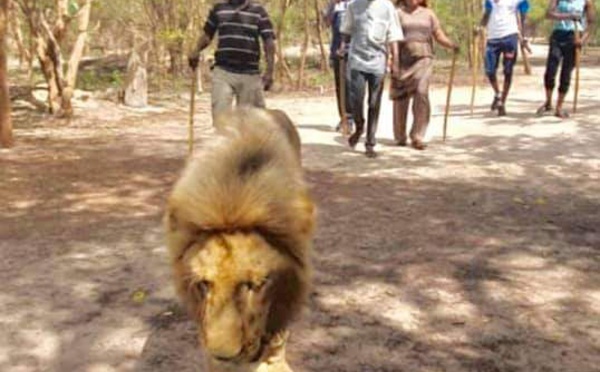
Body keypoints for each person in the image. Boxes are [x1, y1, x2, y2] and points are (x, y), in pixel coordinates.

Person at [188, 0, 276, 122]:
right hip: (223, 72)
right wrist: (196, 50)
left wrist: (270, 71)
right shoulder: (219, 9)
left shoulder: (258, 11)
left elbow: (268, 41)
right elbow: (207, 34)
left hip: (250, 74)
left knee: (251, 124)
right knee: (221, 118)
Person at [390, 0, 458, 150]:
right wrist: (394, 59)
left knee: (421, 92)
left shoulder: (429, 14)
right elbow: (393, 39)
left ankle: (418, 135)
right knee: (401, 98)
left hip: (424, 58)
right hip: (403, 59)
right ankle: (400, 135)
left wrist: (451, 45)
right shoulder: (398, 14)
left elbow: (438, 34)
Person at [340, 0, 403, 158]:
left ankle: (370, 142)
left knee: (374, 102)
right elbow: (346, 31)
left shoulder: (387, 7)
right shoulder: (353, 6)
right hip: (357, 61)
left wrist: (395, 61)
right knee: (357, 99)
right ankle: (359, 126)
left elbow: (393, 35)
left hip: (378, 62)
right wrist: (342, 47)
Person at [537, 0, 596, 118]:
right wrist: (569, 16)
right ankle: (548, 102)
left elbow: (591, 23)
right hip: (558, 35)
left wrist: (582, 40)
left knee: (566, 72)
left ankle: (559, 107)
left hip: (574, 36)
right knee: (550, 70)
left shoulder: (586, 1)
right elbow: (548, 14)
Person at [477, 0, 531, 116]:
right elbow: (487, 14)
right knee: (490, 70)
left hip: (510, 37)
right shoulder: (488, 1)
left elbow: (524, 16)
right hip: (493, 39)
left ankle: (502, 102)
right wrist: (479, 27)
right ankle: (498, 94)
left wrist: (524, 36)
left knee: (508, 70)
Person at [324, 0, 354, 132]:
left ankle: (353, 118)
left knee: (352, 85)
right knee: (340, 86)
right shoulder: (334, 5)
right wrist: (331, 7)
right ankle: (344, 118)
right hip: (337, 51)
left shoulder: (358, 3)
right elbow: (327, 23)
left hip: (355, 51)